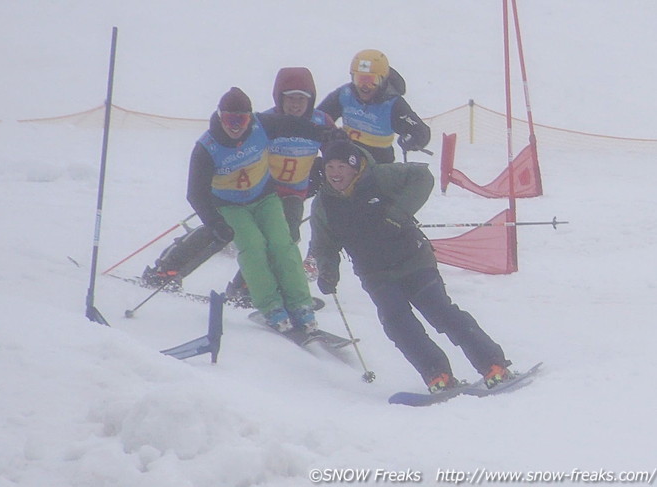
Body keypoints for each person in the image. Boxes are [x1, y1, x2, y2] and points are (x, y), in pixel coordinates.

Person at [309, 139, 513, 392]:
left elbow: (422, 177)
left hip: (413, 261)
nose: (335, 174)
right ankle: (437, 375)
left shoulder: (379, 177)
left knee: (441, 313)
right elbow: (324, 244)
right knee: (398, 325)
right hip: (375, 274)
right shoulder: (324, 204)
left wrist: (398, 214)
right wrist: (328, 271)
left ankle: (493, 364)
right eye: (330, 168)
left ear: (355, 166)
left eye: (341, 166)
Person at [187, 87, 341, 333]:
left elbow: (293, 126)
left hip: (264, 198)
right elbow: (195, 193)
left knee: (283, 244)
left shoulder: (262, 125)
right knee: (254, 247)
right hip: (230, 206)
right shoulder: (207, 148)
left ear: (250, 117)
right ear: (220, 116)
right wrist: (215, 223)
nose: (235, 126)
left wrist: (326, 134)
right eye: (229, 119)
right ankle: (270, 306)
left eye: (242, 119)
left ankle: (301, 304)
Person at [225, 67, 334, 302]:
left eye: (301, 99)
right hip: (265, 191)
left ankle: (268, 287)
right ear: (279, 98)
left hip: (295, 192)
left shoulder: (321, 121)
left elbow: (334, 152)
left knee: (289, 239)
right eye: (290, 99)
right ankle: (243, 286)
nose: (295, 105)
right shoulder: (267, 121)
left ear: (310, 100)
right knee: (263, 241)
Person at [317, 49, 431, 164]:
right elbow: (317, 117)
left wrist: (410, 139)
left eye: (372, 81)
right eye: (359, 80)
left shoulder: (392, 103)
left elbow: (421, 132)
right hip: (348, 159)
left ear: (383, 80)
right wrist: (330, 134)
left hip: (378, 163)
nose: (364, 87)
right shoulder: (345, 94)